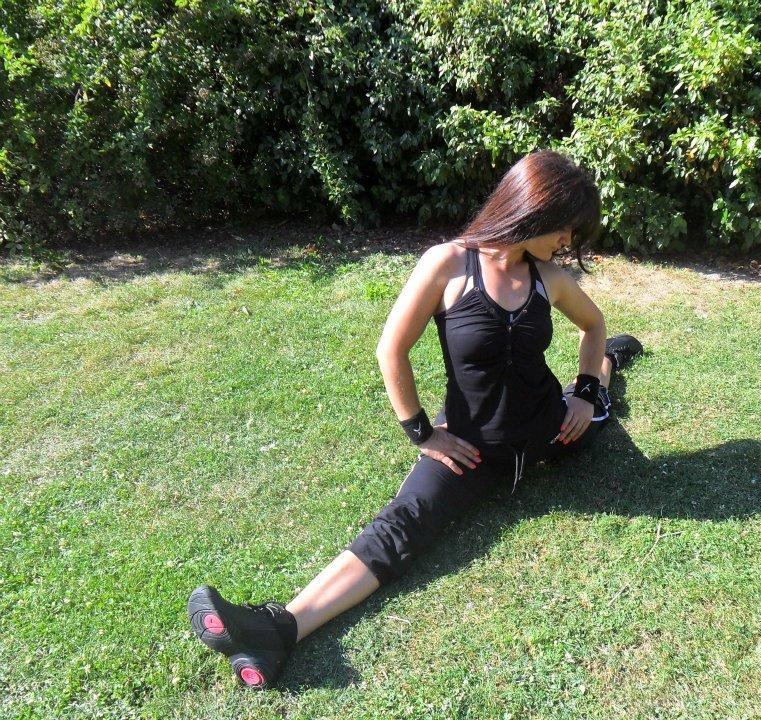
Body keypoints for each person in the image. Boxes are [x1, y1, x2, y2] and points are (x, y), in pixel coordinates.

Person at [186, 150, 644, 689]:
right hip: (472, 448)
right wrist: (424, 434)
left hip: (551, 428)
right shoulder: (449, 264)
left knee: (603, 405)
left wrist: (585, 393)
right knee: (403, 522)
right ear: (533, 209)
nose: (568, 242)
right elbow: (391, 349)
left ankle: (613, 364)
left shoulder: (548, 277)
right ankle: (278, 630)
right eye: (565, 228)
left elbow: (591, 324)